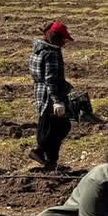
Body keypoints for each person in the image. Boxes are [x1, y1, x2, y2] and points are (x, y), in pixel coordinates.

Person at [28, 20, 73, 170]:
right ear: (54, 36)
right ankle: (41, 153)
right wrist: (57, 100)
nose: (64, 43)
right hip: (50, 97)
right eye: (62, 39)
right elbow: (51, 79)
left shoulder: (38, 49)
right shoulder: (51, 53)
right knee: (60, 127)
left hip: (40, 94)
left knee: (50, 127)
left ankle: (49, 163)